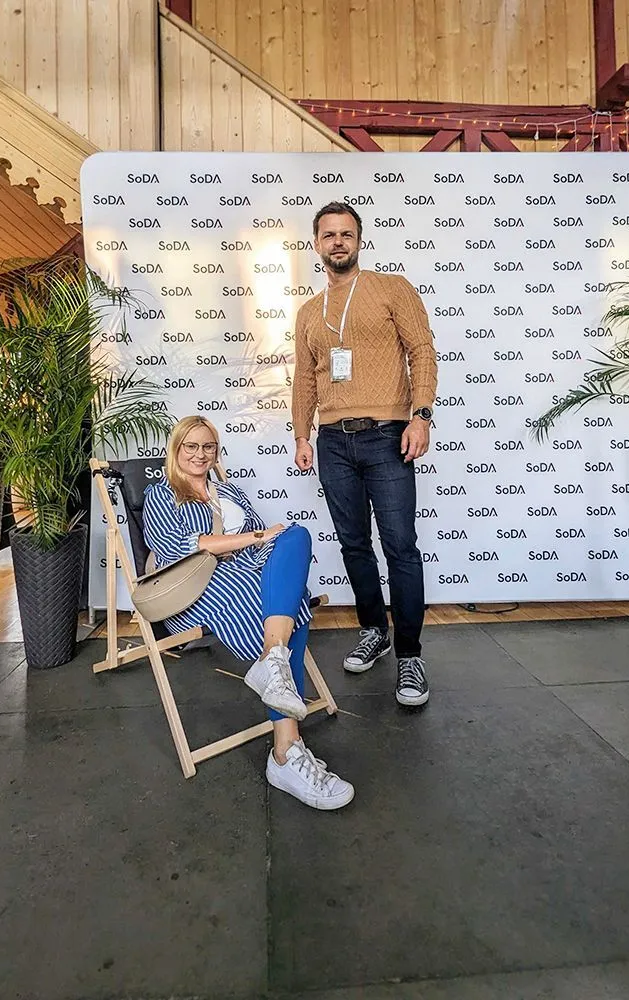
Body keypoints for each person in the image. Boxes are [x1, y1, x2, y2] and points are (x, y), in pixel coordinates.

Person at [142, 415, 354, 811]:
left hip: (247, 568)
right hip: (199, 585)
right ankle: (286, 753)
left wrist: (265, 541)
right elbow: (183, 548)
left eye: (208, 447)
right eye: (191, 446)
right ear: (176, 450)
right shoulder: (162, 494)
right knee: (276, 599)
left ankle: (273, 664)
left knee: (295, 539)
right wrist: (256, 537)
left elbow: (263, 541)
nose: (200, 454)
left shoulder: (231, 491)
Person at [292, 201, 438, 707]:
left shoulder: (392, 288)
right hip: (332, 442)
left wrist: (421, 414)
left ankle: (410, 655)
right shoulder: (310, 312)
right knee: (354, 545)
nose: (338, 242)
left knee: (400, 546)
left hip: (388, 435)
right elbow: (305, 377)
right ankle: (374, 630)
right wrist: (301, 434)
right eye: (329, 235)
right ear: (317, 244)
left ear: (359, 240)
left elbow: (421, 349)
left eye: (346, 234)